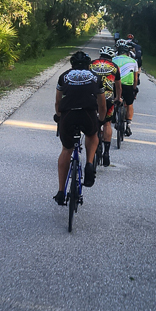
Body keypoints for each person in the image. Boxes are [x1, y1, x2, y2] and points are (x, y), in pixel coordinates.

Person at [54, 51, 107, 205]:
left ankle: (61, 191)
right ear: (88, 64)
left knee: (66, 149)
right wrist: (101, 120)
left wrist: (58, 116)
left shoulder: (63, 76)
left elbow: (58, 101)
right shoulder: (95, 77)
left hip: (68, 115)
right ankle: (89, 163)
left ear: (72, 64)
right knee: (92, 135)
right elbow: (102, 104)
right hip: (87, 114)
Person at [90, 46, 121, 168]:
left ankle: (92, 152)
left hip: (92, 97)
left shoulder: (91, 64)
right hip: (108, 98)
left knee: (93, 123)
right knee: (107, 123)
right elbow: (118, 86)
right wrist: (118, 98)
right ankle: (106, 152)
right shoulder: (114, 67)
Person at [112, 40, 139, 135]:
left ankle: (113, 114)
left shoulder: (113, 60)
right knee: (130, 104)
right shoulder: (133, 61)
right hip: (128, 86)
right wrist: (134, 88)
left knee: (114, 99)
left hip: (115, 85)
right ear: (128, 53)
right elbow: (136, 78)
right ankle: (128, 125)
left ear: (118, 52)